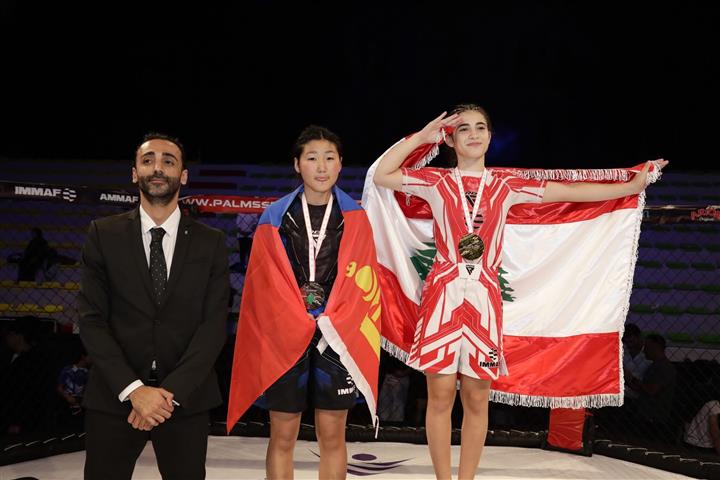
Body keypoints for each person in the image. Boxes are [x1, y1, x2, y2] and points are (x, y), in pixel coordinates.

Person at [372, 104, 668, 480]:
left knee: (476, 399)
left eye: (481, 127)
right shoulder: (436, 182)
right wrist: (424, 135)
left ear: (490, 136)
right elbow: (382, 174)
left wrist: (629, 187)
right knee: (440, 397)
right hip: (442, 299)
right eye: (464, 129)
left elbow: (569, 191)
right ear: (451, 139)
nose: (474, 134)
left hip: (484, 302)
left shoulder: (506, 185)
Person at [227, 125, 381, 480]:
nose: (321, 167)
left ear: (340, 164)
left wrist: (332, 318)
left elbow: (364, 284)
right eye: (312, 158)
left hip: (336, 337)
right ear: (297, 165)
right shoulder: (273, 217)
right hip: (285, 335)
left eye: (329, 158)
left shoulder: (357, 218)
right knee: (283, 434)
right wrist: (295, 317)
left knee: (333, 435)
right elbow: (262, 284)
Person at [77, 133, 230, 480]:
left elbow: (213, 326)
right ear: (135, 173)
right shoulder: (103, 234)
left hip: (185, 399)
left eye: (168, 161)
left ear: (183, 175)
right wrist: (134, 390)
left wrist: (167, 397)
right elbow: (91, 320)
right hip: (115, 395)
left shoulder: (212, 242)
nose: (157, 168)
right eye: (148, 161)